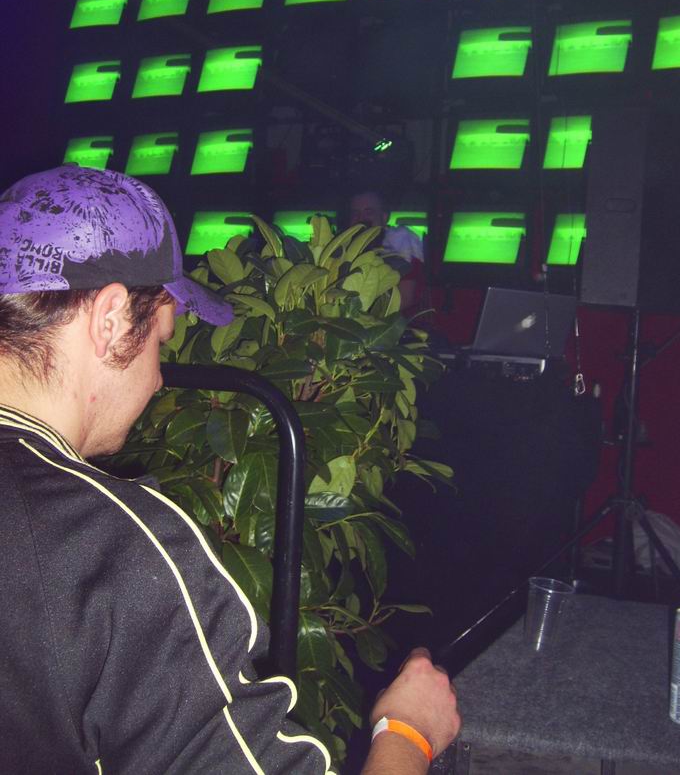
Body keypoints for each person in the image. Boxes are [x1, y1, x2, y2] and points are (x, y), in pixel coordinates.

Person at [0, 164, 460, 774]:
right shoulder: (112, 550)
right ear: (110, 319)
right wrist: (408, 732)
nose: (159, 378)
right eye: (162, 339)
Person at [348, 190, 425, 315]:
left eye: (369, 212)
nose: (361, 218)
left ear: (384, 217)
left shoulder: (401, 243)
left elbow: (404, 298)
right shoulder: (346, 247)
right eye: (355, 213)